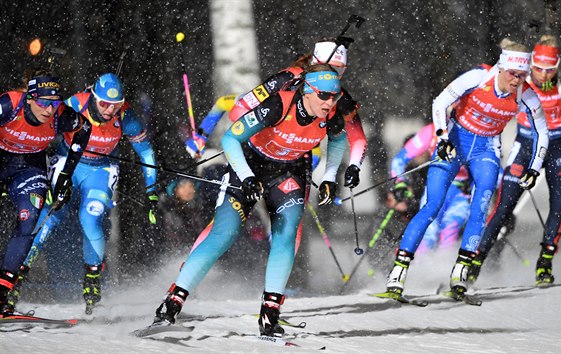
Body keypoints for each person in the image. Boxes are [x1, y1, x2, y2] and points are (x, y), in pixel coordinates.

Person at [151, 64, 347, 337]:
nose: (330, 102)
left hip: (288, 172)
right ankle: (171, 304)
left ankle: (270, 315)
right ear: (307, 91)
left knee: (286, 234)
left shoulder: (335, 111)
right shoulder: (279, 105)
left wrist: (329, 176)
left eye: (334, 96)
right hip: (250, 165)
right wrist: (246, 177)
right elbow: (231, 138)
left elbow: (338, 139)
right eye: (324, 95)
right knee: (223, 234)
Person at [384, 42, 549, 299]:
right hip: (456, 142)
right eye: (512, 74)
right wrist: (442, 138)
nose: (517, 80)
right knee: (431, 207)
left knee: (479, 209)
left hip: (486, 150)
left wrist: (535, 168)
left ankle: (460, 275)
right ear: (502, 68)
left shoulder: (526, 95)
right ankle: (398, 274)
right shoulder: (479, 77)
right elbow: (440, 102)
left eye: (523, 75)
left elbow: (542, 132)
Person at [13, 73, 158, 314]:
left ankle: (92, 283)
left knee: (90, 219)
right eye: (104, 104)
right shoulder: (75, 104)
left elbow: (146, 154)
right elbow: (42, 130)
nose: (110, 111)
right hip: (67, 160)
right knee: (50, 217)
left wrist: (152, 193)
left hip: (100, 170)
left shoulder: (125, 116)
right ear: (93, 97)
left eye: (116, 105)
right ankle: (14, 282)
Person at [470, 35, 561, 286]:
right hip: (526, 146)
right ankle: (476, 261)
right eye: (538, 69)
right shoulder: (521, 77)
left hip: (558, 146)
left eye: (549, 69)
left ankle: (544, 265)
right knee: (504, 205)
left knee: (558, 205)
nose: (543, 75)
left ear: (558, 66)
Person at [186, 39, 367, 189]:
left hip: (294, 157)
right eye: (331, 69)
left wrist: (353, 166)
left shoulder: (340, 98)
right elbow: (233, 108)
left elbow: (357, 138)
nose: (333, 78)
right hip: (258, 149)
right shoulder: (287, 78)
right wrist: (202, 134)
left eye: (340, 71)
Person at [0, 70, 92, 316]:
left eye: (54, 102)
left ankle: (3, 293)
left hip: (29, 167)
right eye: (42, 102)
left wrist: (65, 176)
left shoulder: (61, 116)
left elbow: (85, 130)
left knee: (29, 217)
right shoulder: (9, 105)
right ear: (29, 98)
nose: (49, 109)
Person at [389, 123, 472, 254]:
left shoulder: (478, 129)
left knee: (450, 230)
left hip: (461, 194)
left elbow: (491, 172)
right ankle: (419, 269)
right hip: (435, 189)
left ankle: (445, 269)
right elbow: (399, 161)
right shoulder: (432, 130)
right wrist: (400, 183)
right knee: (429, 231)